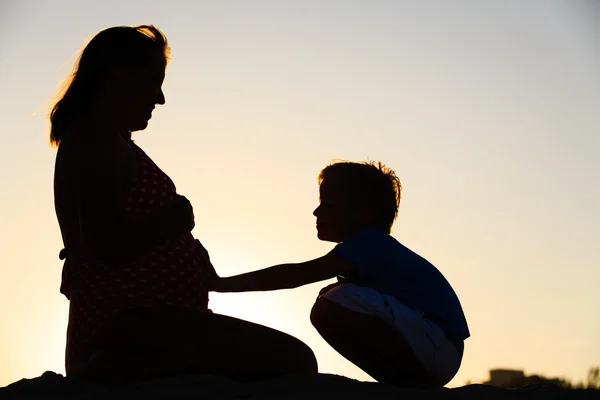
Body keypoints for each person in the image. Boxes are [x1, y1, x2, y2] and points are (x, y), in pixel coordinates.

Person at [51, 24, 316, 382]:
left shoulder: (108, 140)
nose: (159, 99)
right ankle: (116, 366)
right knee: (295, 360)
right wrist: (173, 222)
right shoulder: (93, 136)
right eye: (152, 82)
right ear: (117, 76)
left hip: (152, 322)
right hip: (130, 324)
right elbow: (104, 244)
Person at [208, 160, 470, 387]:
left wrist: (220, 284)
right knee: (329, 302)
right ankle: (397, 382)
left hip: (438, 345)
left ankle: (411, 382)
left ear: (362, 213)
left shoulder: (369, 244)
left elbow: (298, 274)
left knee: (334, 302)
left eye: (328, 205)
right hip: (436, 348)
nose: (316, 211)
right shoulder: (369, 248)